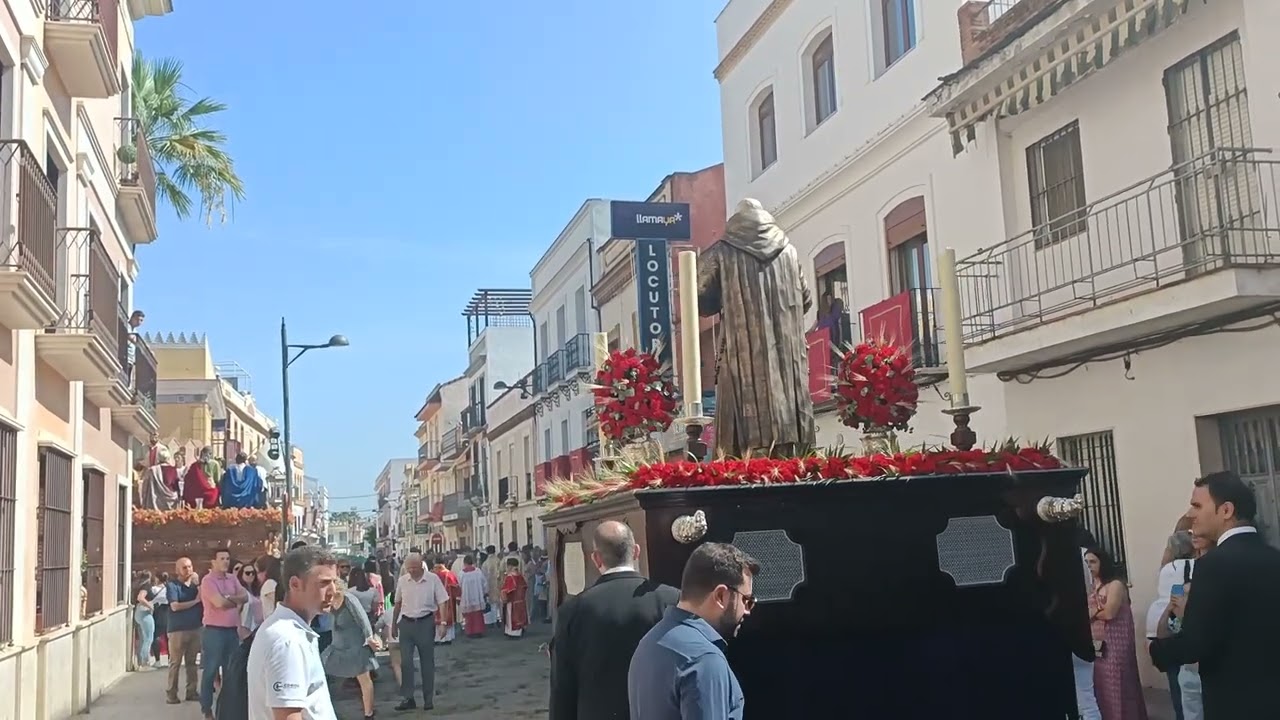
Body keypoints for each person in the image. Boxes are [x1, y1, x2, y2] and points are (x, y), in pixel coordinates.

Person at [1149, 471, 1280, 719]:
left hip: (1234, 703)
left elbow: (1197, 641)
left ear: (1226, 510)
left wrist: (1159, 651)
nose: (1191, 514)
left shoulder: (1213, 565)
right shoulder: (1274, 558)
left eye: (1197, 505)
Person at [697, 198, 815, 456]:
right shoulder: (790, 252)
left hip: (742, 359)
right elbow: (806, 300)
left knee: (737, 446)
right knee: (794, 446)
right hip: (788, 365)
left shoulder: (721, 252)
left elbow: (700, 299)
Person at [551, 520, 678, 720]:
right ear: (636, 552)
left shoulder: (572, 610)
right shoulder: (671, 599)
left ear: (596, 558)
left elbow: (563, 687)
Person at [628, 542, 756, 720]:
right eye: (746, 600)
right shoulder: (704, 658)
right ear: (720, 595)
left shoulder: (649, 642)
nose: (747, 611)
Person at [246, 545, 340, 720]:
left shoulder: (290, 632)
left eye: (334, 582)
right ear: (295, 584)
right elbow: (288, 715)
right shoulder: (287, 640)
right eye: (324, 583)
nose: (333, 591)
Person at [1085, 547, 1148, 719]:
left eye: (1093, 562)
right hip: (1098, 644)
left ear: (1103, 562)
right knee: (1101, 686)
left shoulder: (1116, 585)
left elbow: (1110, 613)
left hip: (1116, 643)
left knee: (1119, 683)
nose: (1090, 566)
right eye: (1087, 563)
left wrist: (1094, 612)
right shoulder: (1092, 586)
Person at [392, 552, 450, 712]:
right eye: (409, 568)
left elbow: (443, 601)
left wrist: (443, 623)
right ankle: (408, 698)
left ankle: (428, 699)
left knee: (427, 662)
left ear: (421, 566)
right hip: (406, 623)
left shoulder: (432, 579)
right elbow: (397, 603)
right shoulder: (403, 580)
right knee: (406, 662)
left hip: (425, 623)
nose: (412, 571)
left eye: (414, 568)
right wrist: (394, 624)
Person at [322, 580, 381, 720]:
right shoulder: (328, 601)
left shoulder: (348, 599)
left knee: (364, 679)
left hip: (356, 645)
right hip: (338, 646)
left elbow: (362, 618)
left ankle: (369, 714)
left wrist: (369, 637)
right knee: (321, 669)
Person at [200, 548, 248, 719]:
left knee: (231, 672)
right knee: (210, 671)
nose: (226, 561)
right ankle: (207, 708)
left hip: (232, 631)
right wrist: (234, 600)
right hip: (214, 631)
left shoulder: (232, 578)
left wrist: (229, 597)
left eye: (227, 558)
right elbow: (219, 603)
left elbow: (245, 597)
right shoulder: (208, 581)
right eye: (221, 558)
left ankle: (227, 710)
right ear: (213, 562)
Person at [165, 557, 203, 704]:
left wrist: (198, 585)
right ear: (177, 570)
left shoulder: (195, 587)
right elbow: (175, 606)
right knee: (175, 663)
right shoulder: (172, 586)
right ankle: (171, 694)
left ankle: (191, 691)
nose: (188, 570)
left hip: (195, 627)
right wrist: (195, 602)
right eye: (184, 567)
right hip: (177, 630)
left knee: (192, 663)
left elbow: (203, 598)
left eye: (190, 566)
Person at [457, 554, 488, 638]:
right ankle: (479, 631)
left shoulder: (461, 574)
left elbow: (459, 587)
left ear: (464, 563)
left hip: (467, 598)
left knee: (469, 616)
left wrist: (458, 598)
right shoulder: (478, 571)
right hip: (477, 597)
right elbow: (484, 583)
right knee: (478, 615)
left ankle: (470, 632)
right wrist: (485, 593)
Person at [432, 557, 460, 645]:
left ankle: (437, 638)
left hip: (435, 599)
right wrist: (457, 597)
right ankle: (447, 638)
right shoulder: (449, 574)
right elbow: (455, 587)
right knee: (447, 617)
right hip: (448, 600)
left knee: (436, 618)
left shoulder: (432, 574)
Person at [133, 571, 158, 669]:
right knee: (148, 638)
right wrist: (150, 606)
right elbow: (141, 598)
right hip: (144, 613)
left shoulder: (138, 585)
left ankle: (140, 662)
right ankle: (145, 663)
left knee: (143, 639)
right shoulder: (146, 586)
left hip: (138, 612)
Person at [500, 557, 529, 639]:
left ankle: (512, 633)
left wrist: (504, 598)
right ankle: (519, 631)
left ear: (510, 566)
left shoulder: (510, 577)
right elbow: (525, 587)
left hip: (512, 601)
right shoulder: (520, 576)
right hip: (521, 601)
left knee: (511, 617)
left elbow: (506, 590)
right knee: (520, 616)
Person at [237, 562, 264, 640]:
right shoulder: (240, 590)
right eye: (247, 573)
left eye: (253, 573)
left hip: (258, 628)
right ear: (241, 575)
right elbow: (237, 610)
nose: (251, 575)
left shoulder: (258, 590)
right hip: (244, 629)